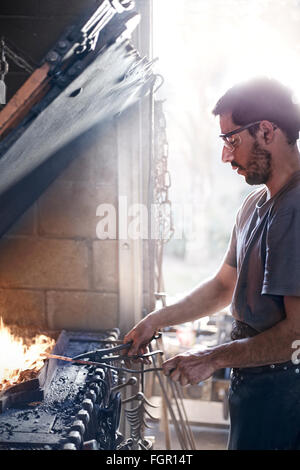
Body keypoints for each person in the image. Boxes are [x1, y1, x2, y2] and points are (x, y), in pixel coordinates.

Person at [124, 77, 300, 450]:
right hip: (253, 382)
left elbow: (296, 337)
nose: (225, 156)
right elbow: (224, 286)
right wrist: (156, 320)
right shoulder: (254, 205)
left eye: (231, 140)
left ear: (266, 130)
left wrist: (210, 357)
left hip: (289, 394)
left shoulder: (296, 209)